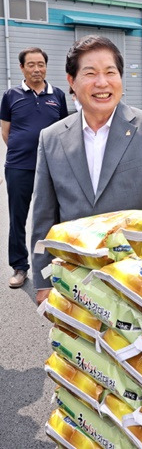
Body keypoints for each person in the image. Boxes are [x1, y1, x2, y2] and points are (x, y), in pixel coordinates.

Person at [31, 35, 142, 304]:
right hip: (76, 278)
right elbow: (43, 215)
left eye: (110, 72)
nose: (102, 82)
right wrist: (42, 279)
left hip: (138, 276)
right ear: (72, 81)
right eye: (90, 73)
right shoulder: (52, 138)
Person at [0, 47, 68, 289]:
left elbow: (63, 131)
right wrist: (23, 151)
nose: (37, 69)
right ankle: (20, 267)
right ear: (22, 68)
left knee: (53, 217)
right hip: (19, 166)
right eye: (31, 65)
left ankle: (55, 264)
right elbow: (6, 131)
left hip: (51, 167)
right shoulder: (10, 95)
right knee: (18, 217)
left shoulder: (57, 95)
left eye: (41, 64)